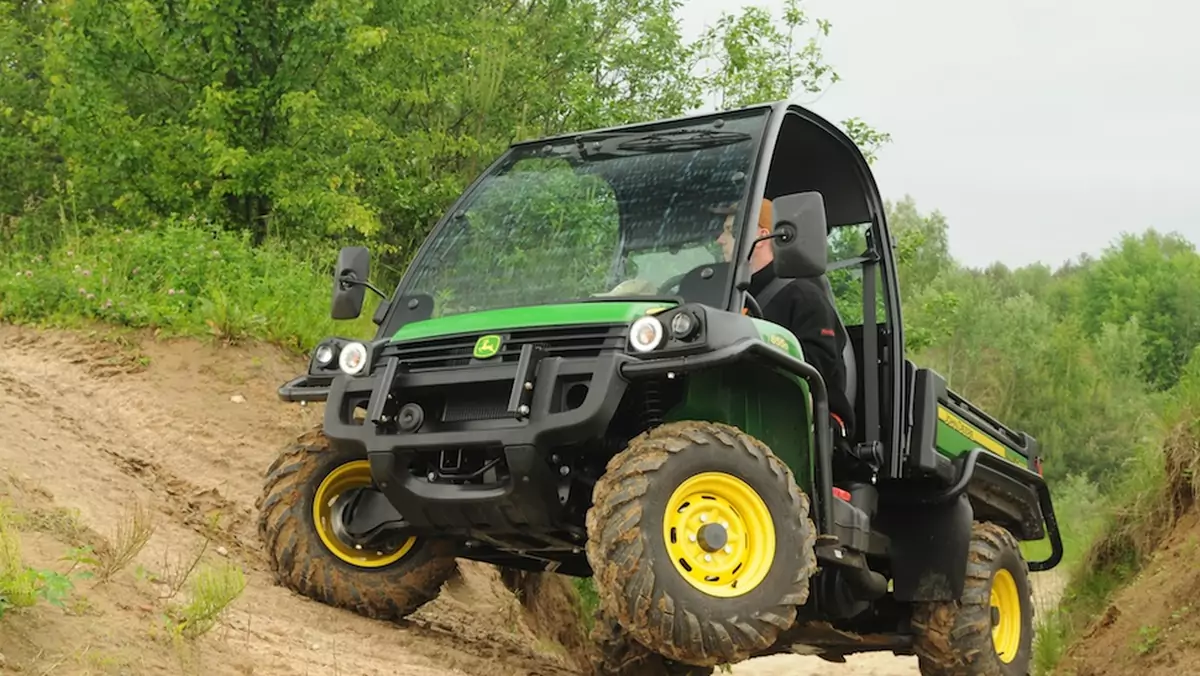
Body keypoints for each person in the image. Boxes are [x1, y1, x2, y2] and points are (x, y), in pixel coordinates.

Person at [714, 198, 857, 441]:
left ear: (760, 236)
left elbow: (816, 369)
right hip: (742, 418)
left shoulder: (803, 295)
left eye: (729, 231)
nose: (719, 239)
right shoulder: (730, 299)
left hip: (807, 426)